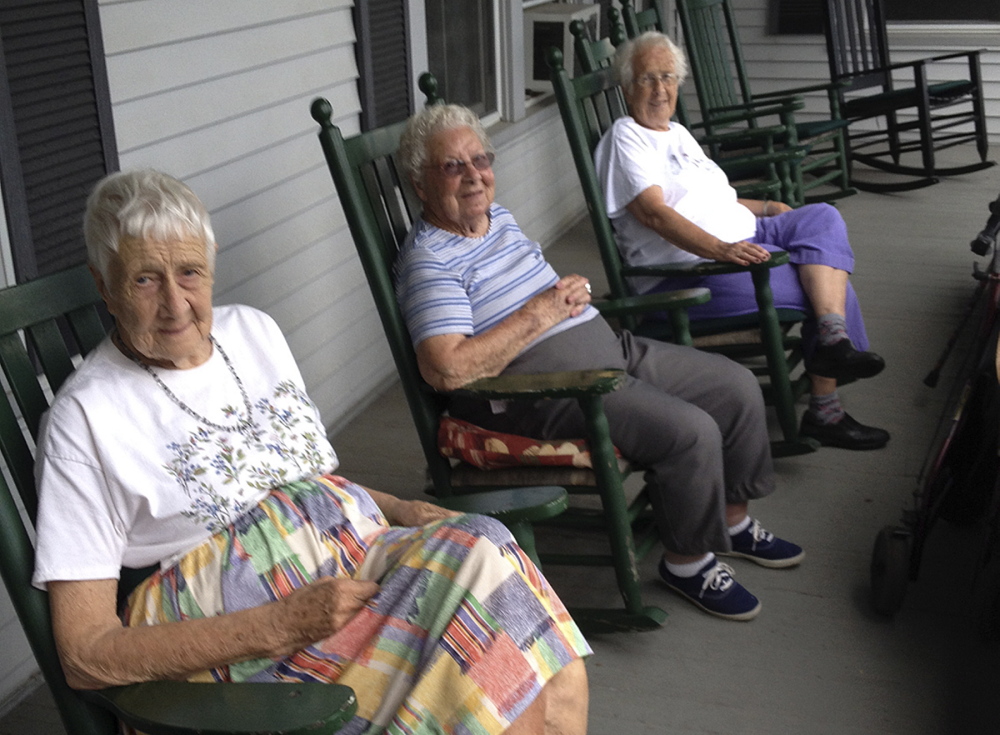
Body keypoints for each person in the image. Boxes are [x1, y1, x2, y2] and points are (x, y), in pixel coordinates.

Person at [30, 169, 590, 735]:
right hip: (242, 638)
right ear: (104, 285)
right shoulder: (83, 421)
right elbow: (85, 655)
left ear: (212, 260)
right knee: (507, 668)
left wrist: (403, 508)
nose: (175, 304)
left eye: (190, 272)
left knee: (515, 595)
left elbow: (295, 478)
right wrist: (277, 624)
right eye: (145, 281)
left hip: (346, 565)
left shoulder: (253, 332)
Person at [394, 103, 805, 624]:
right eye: (453, 166)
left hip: (609, 349)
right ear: (419, 184)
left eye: (480, 159)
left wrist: (565, 298)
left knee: (736, 385)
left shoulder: (498, 219)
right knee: (690, 430)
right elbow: (445, 369)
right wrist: (540, 312)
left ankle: (732, 518)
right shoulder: (430, 262)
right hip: (549, 389)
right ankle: (687, 561)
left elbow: (538, 295)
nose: (474, 175)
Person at [593, 31, 890, 452]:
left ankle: (831, 342)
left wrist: (767, 207)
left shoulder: (676, 133)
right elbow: (654, 213)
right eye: (647, 79)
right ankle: (827, 404)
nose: (660, 89)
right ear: (627, 88)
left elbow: (713, 197)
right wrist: (721, 250)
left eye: (668, 77)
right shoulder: (627, 138)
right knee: (826, 283)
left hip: (748, 235)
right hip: (689, 271)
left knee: (823, 218)